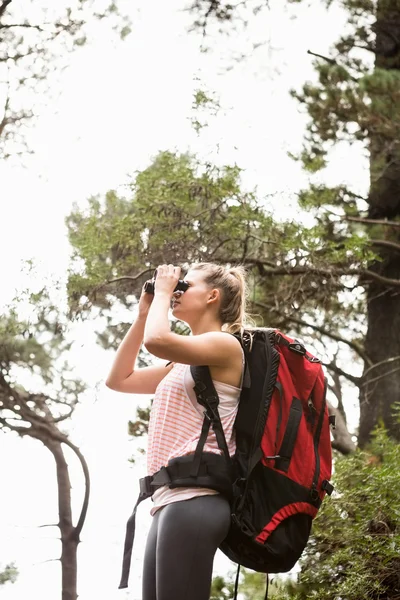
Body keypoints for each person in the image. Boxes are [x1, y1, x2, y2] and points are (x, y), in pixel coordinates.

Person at [106, 262, 249, 600]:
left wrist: (165, 292)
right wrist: (143, 314)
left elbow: (157, 340)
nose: (177, 293)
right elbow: (119, 379)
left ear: (212, 296)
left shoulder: (226, 347)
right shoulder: (182, 363)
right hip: (169, 501)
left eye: (187, 286)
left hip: (197, 500)